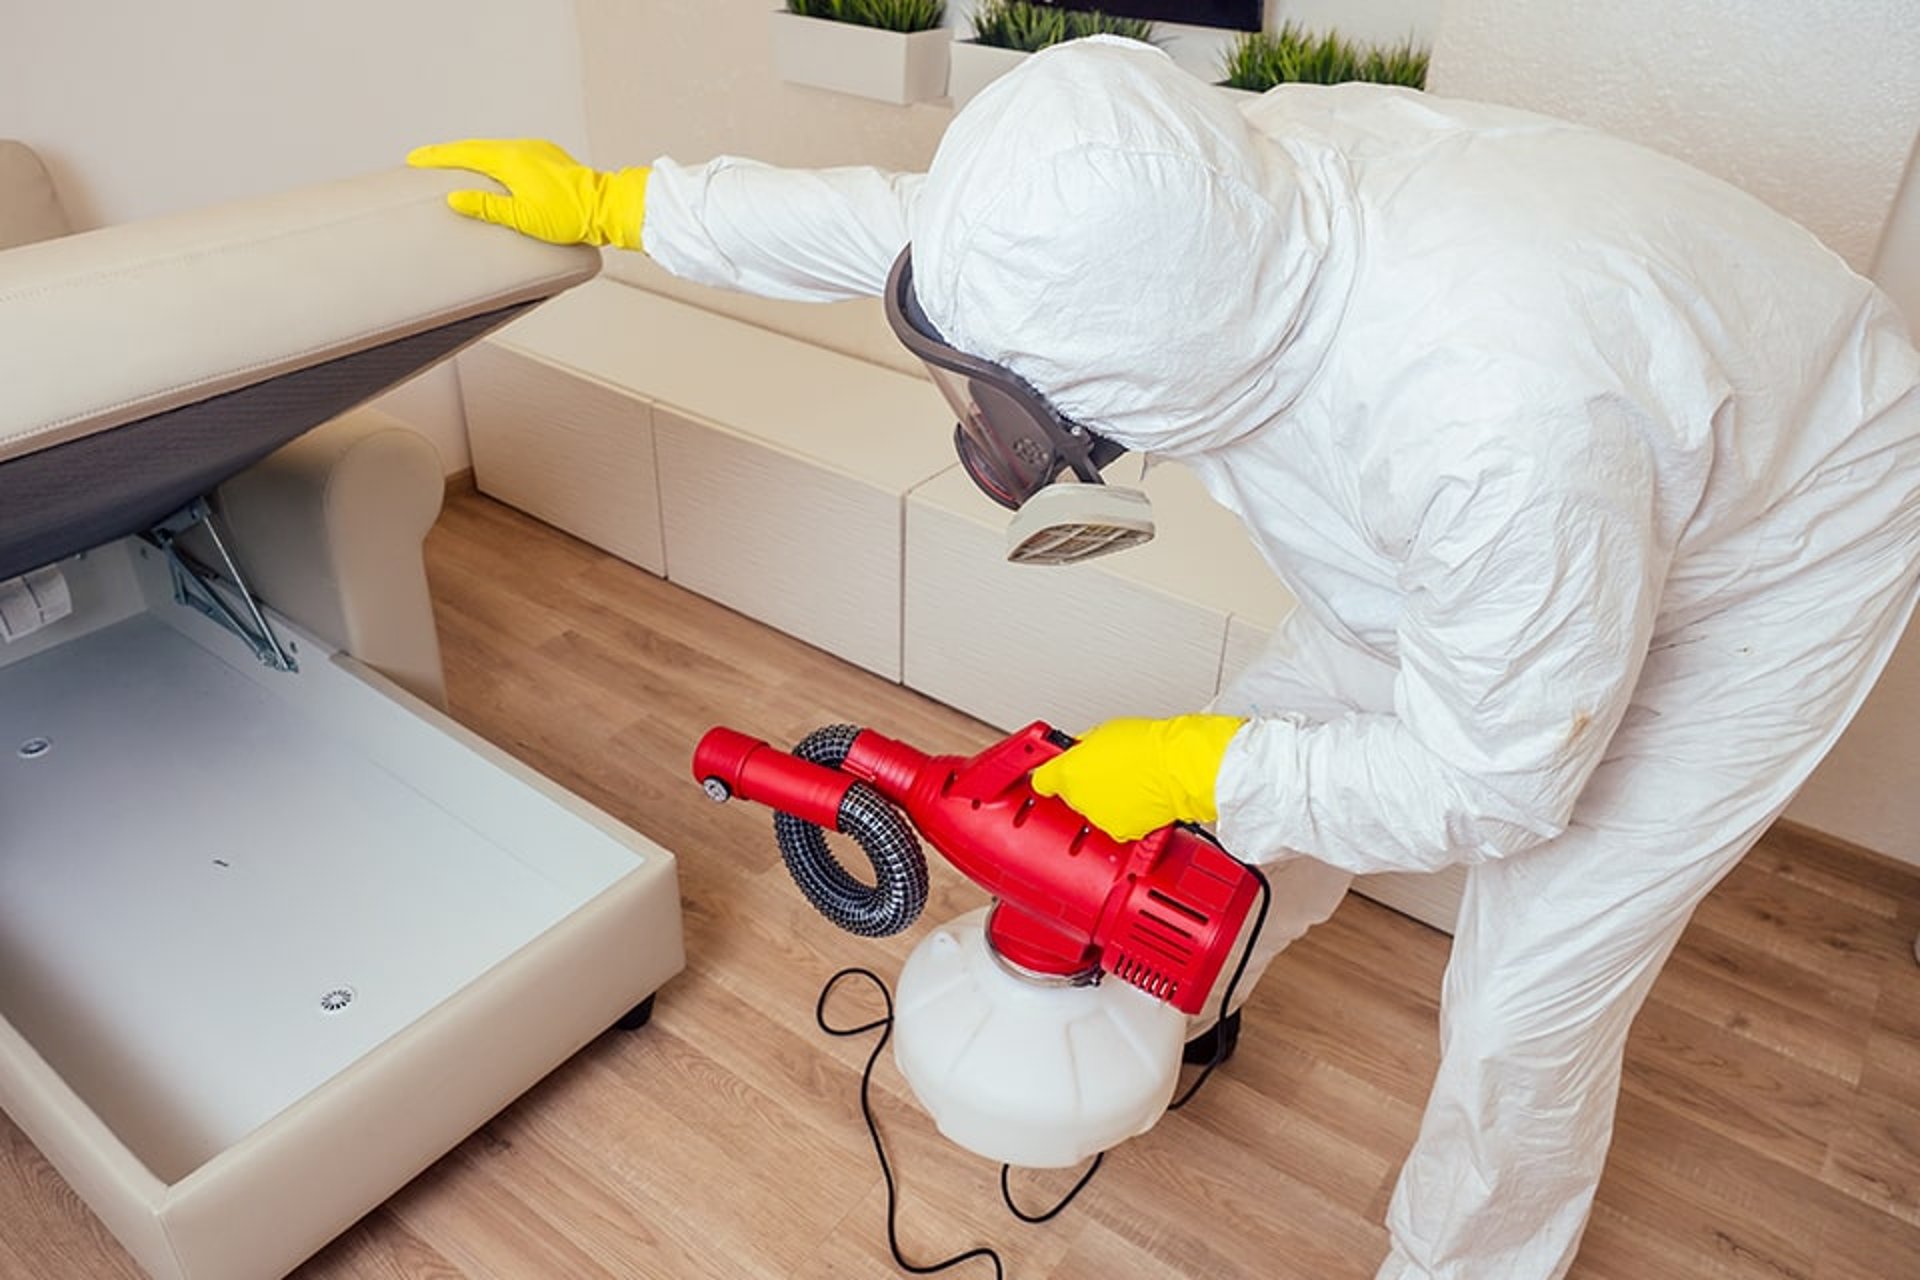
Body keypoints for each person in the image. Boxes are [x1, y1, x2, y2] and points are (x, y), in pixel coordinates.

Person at [410, 36, 1920, 1280]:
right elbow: (906, 222)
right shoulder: (1182, 208)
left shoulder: (1490, 423)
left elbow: (1497, 784)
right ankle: (1177, 998)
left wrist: (1200, 759)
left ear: (1151, 365)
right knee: (1263, 773)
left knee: (1533, 983)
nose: (1004, 428)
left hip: (1789, 527)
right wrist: (624, 204)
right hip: (1535, 486)